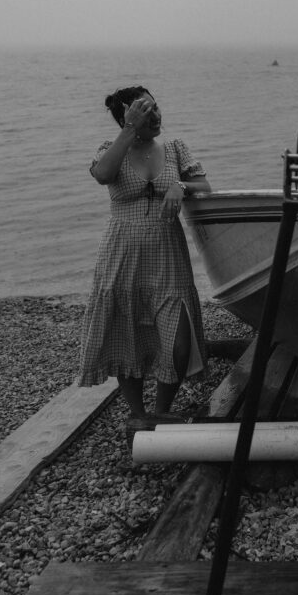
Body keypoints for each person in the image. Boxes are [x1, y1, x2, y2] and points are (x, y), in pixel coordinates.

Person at [78, 86, 211, 425]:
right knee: (127, 338)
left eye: (156, 108)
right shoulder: (110, 150)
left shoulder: (175, 149)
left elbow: (205, 187)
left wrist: (180, 187)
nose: (156, 116)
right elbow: (103, 175)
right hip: (121, 255)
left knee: (179, 344)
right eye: (145, 112)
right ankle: (140, 416)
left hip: (168, 256)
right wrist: (128, 130)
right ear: (128, 118)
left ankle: (163, 409)